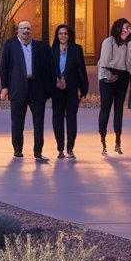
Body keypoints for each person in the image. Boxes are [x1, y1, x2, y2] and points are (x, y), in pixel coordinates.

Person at [0, 20, 53, 162]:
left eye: (28, 28)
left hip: (36, 89)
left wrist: (48, 90)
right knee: (17, 121)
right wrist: (5, 87)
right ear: (18, 30)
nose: (26, 31)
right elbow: (4, 67)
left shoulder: (39, 46)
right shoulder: (10, 45)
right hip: (18, 88)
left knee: (38, 122)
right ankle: (17, 149)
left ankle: (38, 151)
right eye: (23, 28)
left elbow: (47, 69)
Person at [97, 18, 131, 156]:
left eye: (129, 28)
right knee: (106, 107)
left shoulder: (129, 43)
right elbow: (105, 61)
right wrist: (108, 75)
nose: (127, 30)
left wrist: (130, 40)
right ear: (118, 28)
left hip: (123, 76)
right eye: (125, 27)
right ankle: (103, 139)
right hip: (108, 75)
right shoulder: (109, 42)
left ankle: (118, 142)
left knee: (119, 108)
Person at [50, 23, 89, 159]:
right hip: (57, 90)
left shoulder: (76, 49)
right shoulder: (53, 50)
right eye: (60, 34)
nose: (63, 36)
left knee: (71, 118)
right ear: (57, 35)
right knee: (57, 118)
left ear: (69, 35)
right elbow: (49, 70)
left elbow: (81, 70)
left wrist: (83, 90)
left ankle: (70, 148)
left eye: (65, 34)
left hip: (72, 89)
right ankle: (60, 148)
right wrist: (56, 80)